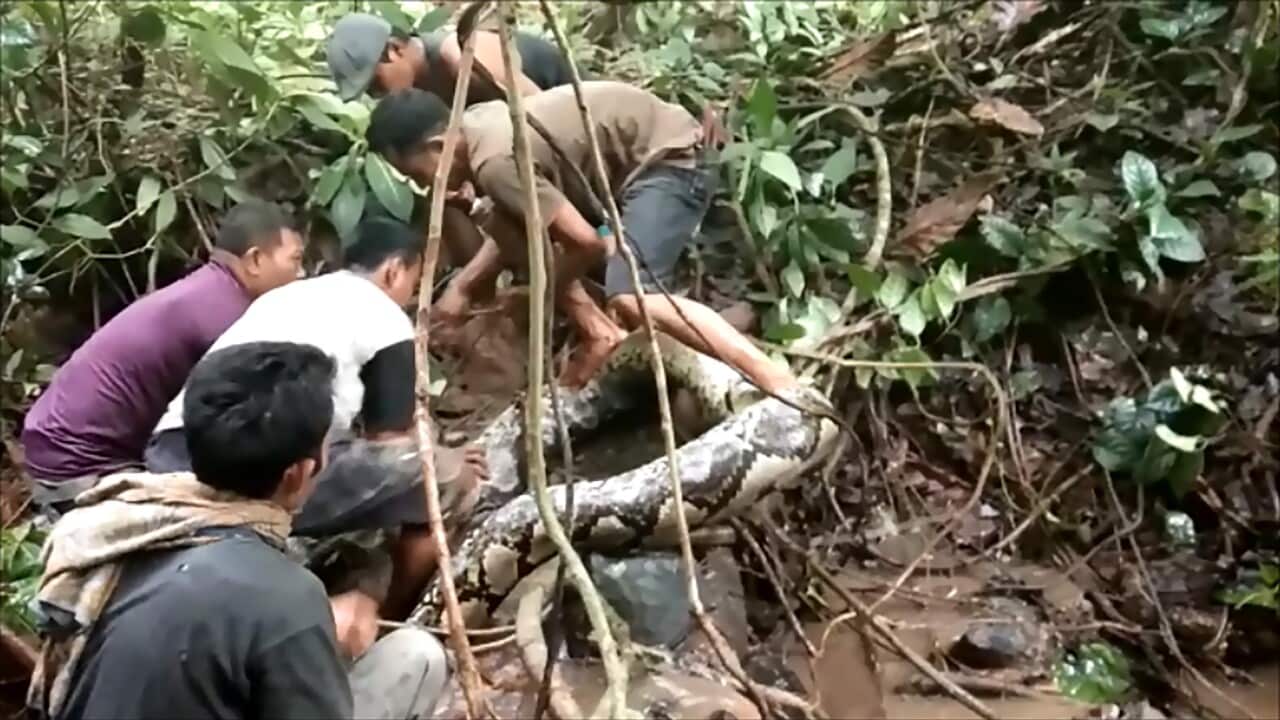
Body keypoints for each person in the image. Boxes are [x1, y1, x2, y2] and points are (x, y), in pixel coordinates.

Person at [28, 342, 449, 720]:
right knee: (417, 656)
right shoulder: (287, 598)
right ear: (299, 473)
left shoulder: (119, 524)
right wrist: (306, 632)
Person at [145, 216, 488, 624]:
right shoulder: (385, 315)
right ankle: (394, 619)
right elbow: (392, 443)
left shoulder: (285, 296)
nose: (411, 297)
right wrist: (445, 456)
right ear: (394, 270)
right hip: (255, 465)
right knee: (448, 481)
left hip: (174, 449)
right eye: (413, 283)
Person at [366, 82, 798, 392]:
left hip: (674, 163)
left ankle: (773, 380)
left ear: (439, 146)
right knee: (501, 219)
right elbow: (522, 230)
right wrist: (467, 286)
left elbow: (586, 243)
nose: (424, 187)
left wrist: (544, 290)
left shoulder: (495, 162)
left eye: (414, 173)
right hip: (624, 174)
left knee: (630, 297)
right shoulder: (479, 123)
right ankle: (597, 331)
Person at [19, 200, 303, 519]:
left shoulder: (207, 293)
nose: (301, 274)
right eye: (295, 260)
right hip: (78, 467)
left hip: (54, 445)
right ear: (254, 260)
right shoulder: (224, 316)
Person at [326, 12, 575, 105]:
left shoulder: (459, 54)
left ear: (395, 49)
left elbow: (542, 111)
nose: (382, 97)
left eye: (377, 85)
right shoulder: (424, 92)